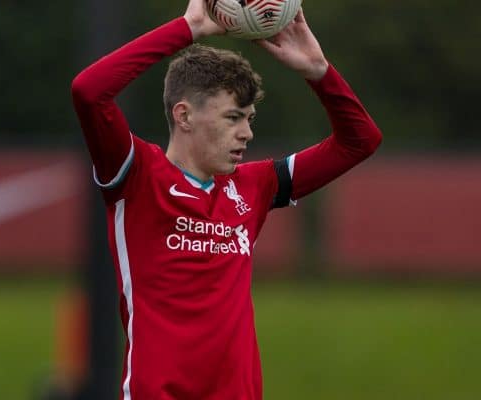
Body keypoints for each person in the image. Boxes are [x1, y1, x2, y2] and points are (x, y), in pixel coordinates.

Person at [71, 0, 382, 398]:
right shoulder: (137, 175)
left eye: (249, 119)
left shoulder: (253, 186)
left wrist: (320, 73)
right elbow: (89, 91)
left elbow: (360, 141)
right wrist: (188, 27)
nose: (246, 134)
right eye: (233, 118)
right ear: (184, 116)